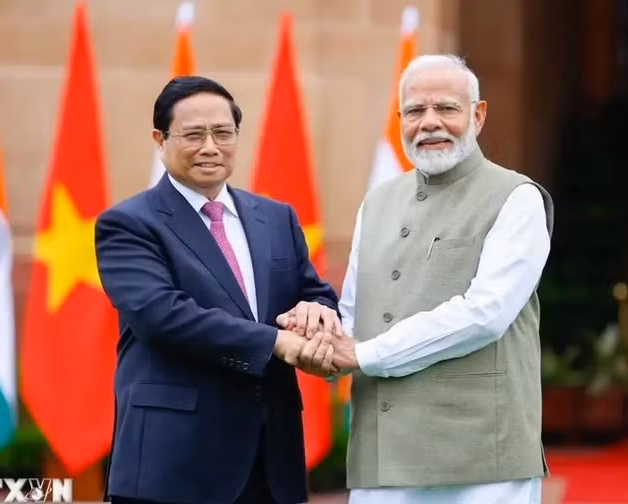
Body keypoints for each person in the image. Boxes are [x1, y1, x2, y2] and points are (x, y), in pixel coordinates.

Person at [287, 53, 555, 503]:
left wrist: (363, 353)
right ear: (400, 119)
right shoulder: (377, 202)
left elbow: (485, 314)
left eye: (446, 108)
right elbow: (354, 311)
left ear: (478, 114)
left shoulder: (517, 197)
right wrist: (319, 336)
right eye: (415, 111)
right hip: (380, 455)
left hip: (478, 460)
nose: (429, 122)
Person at [95, 76, 341, 504]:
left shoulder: (276, 217)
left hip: (271, 460)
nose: (210, 147)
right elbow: (162, 316)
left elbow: (314, 291)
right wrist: (276, 342)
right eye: (193, 134)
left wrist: (316, 312)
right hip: (173, 464)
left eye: (223, 133)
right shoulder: (129, 224)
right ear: (160, 139)